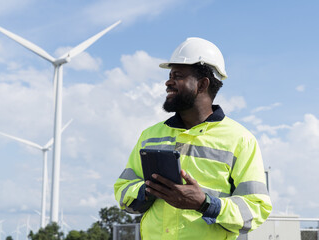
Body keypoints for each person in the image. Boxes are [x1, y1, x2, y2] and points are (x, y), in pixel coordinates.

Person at [114, 37, 272, 240]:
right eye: (170, 75)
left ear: (202, 84)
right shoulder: (149, 136)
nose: (168, 81)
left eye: (177, 76)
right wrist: (149, 190)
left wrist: (205, 203)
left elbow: (255, 210)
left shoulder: (240, 140)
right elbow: (122, 190)